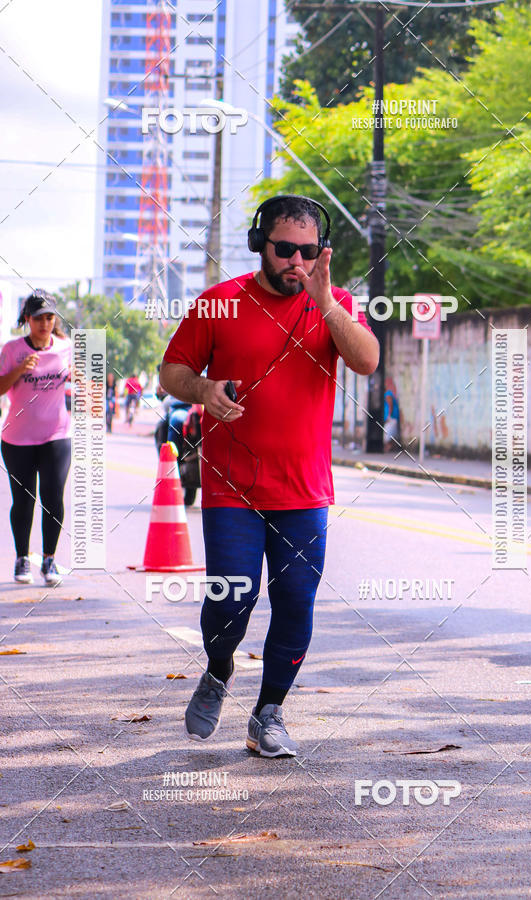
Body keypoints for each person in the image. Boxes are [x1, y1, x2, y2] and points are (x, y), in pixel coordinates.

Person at [160, 195, 379, 757]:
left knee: (296, 603)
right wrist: (204, 389)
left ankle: (268, 714)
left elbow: (366, 360)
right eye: (284, 249)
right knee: (232, 599)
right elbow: (172, 372)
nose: (296, 262)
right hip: (231, 487)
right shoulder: (220, 302)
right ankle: (218, 668)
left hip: (304, 492)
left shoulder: (334, 303)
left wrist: (325, 301)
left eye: (308, 251)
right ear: (260, 244)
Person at [0, 291, 71, 585]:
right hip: (18, 439)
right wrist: (19, 370)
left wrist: (79, 377)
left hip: (56, 435)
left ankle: (49, 560)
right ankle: (21, 559)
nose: (44, 324)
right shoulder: (12, 349)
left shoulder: (66, 348)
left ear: (55, 320)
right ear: (27, 319)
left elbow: (87, 384)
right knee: (24, 500)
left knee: (53, 497)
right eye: (38, 318)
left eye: (49, 318)